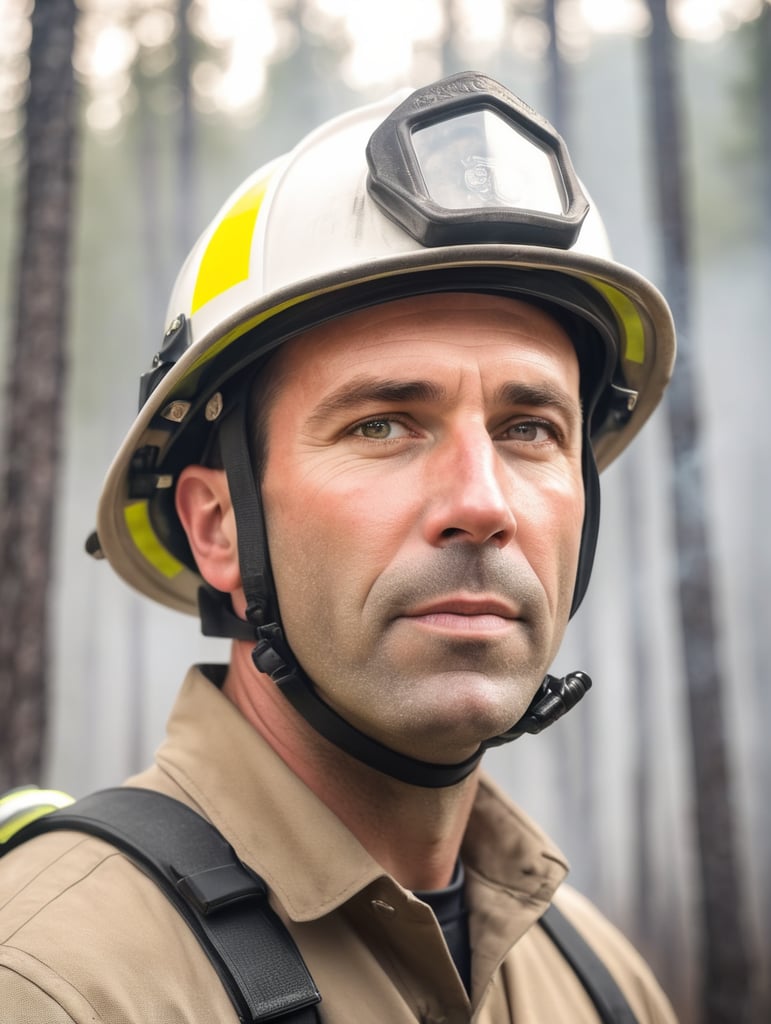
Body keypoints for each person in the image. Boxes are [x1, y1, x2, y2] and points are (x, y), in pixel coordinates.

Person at [0, 71, 678, 1022]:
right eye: (383, 425)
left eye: (529, 429)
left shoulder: (602, 984)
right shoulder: (55, 982)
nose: (482, 505)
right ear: (219, 527)